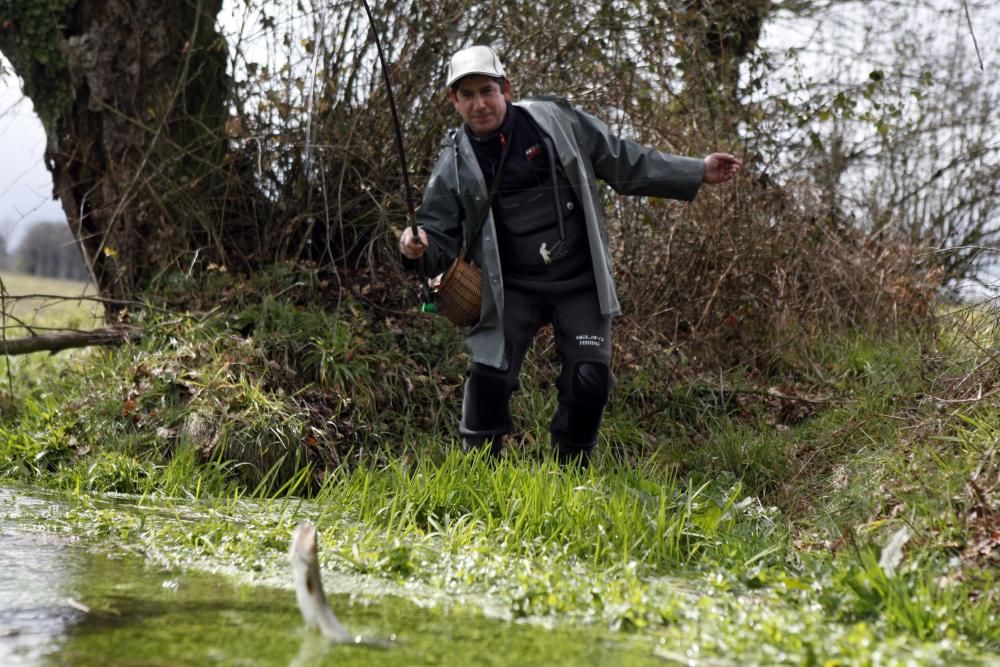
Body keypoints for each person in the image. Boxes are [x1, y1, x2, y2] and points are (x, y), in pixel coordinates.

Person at [400, 45, 740, 464]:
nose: (479, 104)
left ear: (506, 88)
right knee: (488, 376)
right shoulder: (453, 163)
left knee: (590, 377)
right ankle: (477, 472)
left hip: (579, 280)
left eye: (487, 90)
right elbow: (435, 235)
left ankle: (571, 470)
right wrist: (414, 246)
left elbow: (622, 160)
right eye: (466, 95)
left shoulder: (556, 122)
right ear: (454, 101)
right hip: (511, 289)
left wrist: (695, 170)